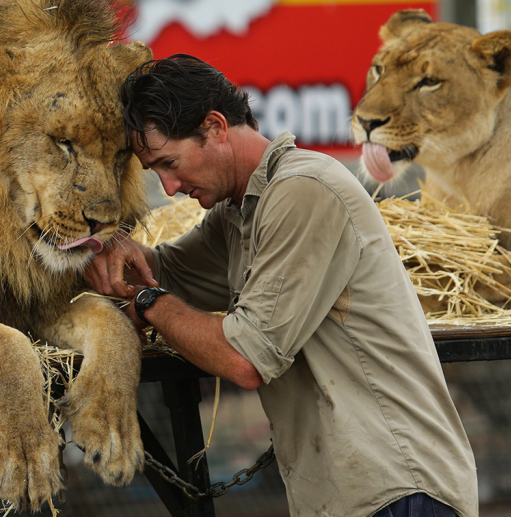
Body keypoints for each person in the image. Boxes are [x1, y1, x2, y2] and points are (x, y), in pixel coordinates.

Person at [83, 55, 479, 517]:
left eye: (169, 163)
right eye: (155, 172)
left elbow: (246, 357)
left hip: (398, 492)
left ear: (214, 126)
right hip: (355, 497)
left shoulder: (303, 190)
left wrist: (149, 302)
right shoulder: (239, 211)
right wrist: (112, 250)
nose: (168, 188)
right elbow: (167, 273)